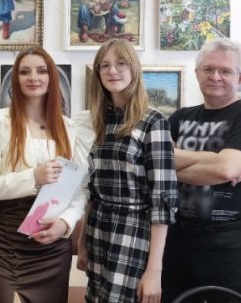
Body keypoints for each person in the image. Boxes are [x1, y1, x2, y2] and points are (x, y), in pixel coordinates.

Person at [160, 38, 241, 303]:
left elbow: (226, 168)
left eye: (225, 71)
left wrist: (175, 163)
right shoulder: (179, 118)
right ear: (197, 73)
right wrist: (213, 159)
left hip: (230, 245)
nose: (215, 76)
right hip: (177, 240)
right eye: (208, 69)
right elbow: (155, 166)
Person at [0, 47, 88, 302]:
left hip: (53, 245)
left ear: (51, 77)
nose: (33, 78)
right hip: (8, 240)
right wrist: (32, 178)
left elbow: (80, 190)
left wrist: (65, 223)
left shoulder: (70, 127)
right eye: (25, 72)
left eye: (41, 71)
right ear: (16, 79)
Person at [76, 39, 178, 303]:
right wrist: (82, 243)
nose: (112, 71)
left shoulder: (154, 122)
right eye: (105, 65)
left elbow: (162, 201)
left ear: (134, 69)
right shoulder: (97, 120)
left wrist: (154, 271)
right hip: (98, 228)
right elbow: (92, 189)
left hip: (134, 230)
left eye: (121, 63)